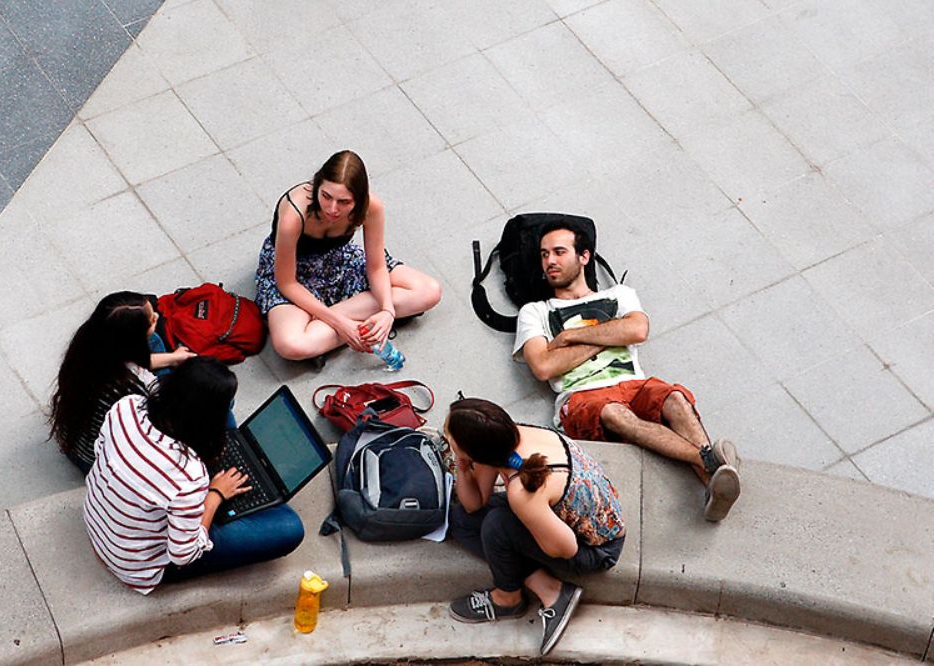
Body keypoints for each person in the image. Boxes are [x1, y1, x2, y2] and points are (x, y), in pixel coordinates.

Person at [514, 221, 741, 521]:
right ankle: (709, 460)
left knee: (675, 398)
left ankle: (714, 489)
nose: (550, 261)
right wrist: (609, 336)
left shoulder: (620, 294)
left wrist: (570, 337)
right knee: (612, 413)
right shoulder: (535, 312)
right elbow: (543, 366)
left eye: (558, 252)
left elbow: (637, 329)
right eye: (544, 255)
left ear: (584, 257)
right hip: (581, 396)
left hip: (634, 384)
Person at [83, 357, 304, 593]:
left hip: (98, 523)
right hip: (141, 566)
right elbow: (182, 556)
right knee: (289, 526)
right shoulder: (188, 476)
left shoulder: (126, 407)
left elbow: (101, 450)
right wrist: (215, 494)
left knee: (221, 395)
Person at [446, 398, 625, 656]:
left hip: (596, 548)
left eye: (451, 438)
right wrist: (462, 467)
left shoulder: (522, 492)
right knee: (463, 520)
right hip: (558, 514)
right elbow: (474, 504)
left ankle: (509, 600)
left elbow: (564, 548)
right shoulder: (506, 439)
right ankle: (545, 584)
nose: (447, 438)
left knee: (496, 527)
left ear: (475, 451)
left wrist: (525, 521)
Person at [254, 150, 441, 363]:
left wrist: (388, 310)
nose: (332, 209)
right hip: (295, 273)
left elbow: (376, 266)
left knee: (430, 291)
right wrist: (340, 323)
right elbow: (287, 283)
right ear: (317, 186)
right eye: (326, 196)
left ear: (359, 199)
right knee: (290, 345)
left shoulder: (372, 207)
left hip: (338, 262)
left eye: (343, 202)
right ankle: (352, 323)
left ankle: (325, 328)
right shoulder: (294, 215)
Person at [50, 291, 195, 474]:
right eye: (151, 320)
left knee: (155, 340)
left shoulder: (87, 345)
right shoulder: (135, 387)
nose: (157, 316)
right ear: (131, 341)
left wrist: (173, 358)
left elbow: (131, 363)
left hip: (72, 440)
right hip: (94, 461)